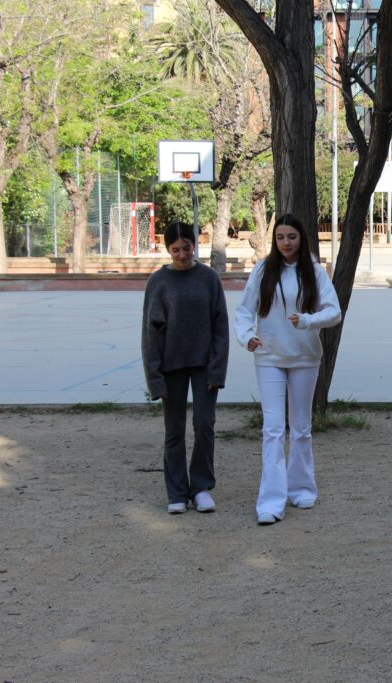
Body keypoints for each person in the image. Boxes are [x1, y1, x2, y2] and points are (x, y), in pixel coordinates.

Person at [234, 214, 342, 526]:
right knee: (272, 429)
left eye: (291, 237)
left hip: (305, 358)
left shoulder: (314, 271)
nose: (285, 243)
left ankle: (301, 488)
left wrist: (307, 320)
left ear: (301, 238)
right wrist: (246, 337)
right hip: (268, 356)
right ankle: (270, 501)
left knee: (301, 427)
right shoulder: (262, 269)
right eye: (280, 237)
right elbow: (244, 312)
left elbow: (333, 312)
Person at [141, 221, 229, 515]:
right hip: (171, 366)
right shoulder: (158, 282)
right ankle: (177, 492)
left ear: (195, 245)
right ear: (167, 249)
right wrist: (155, 379)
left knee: (204, 424)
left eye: (187, 248)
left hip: (204, 365)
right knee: (174, 429)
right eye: (176, 249)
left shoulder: (209, 278)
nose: (182, 254)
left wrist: (217, 370)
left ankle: (200, 488)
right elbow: (150, 333)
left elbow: (220, 326)